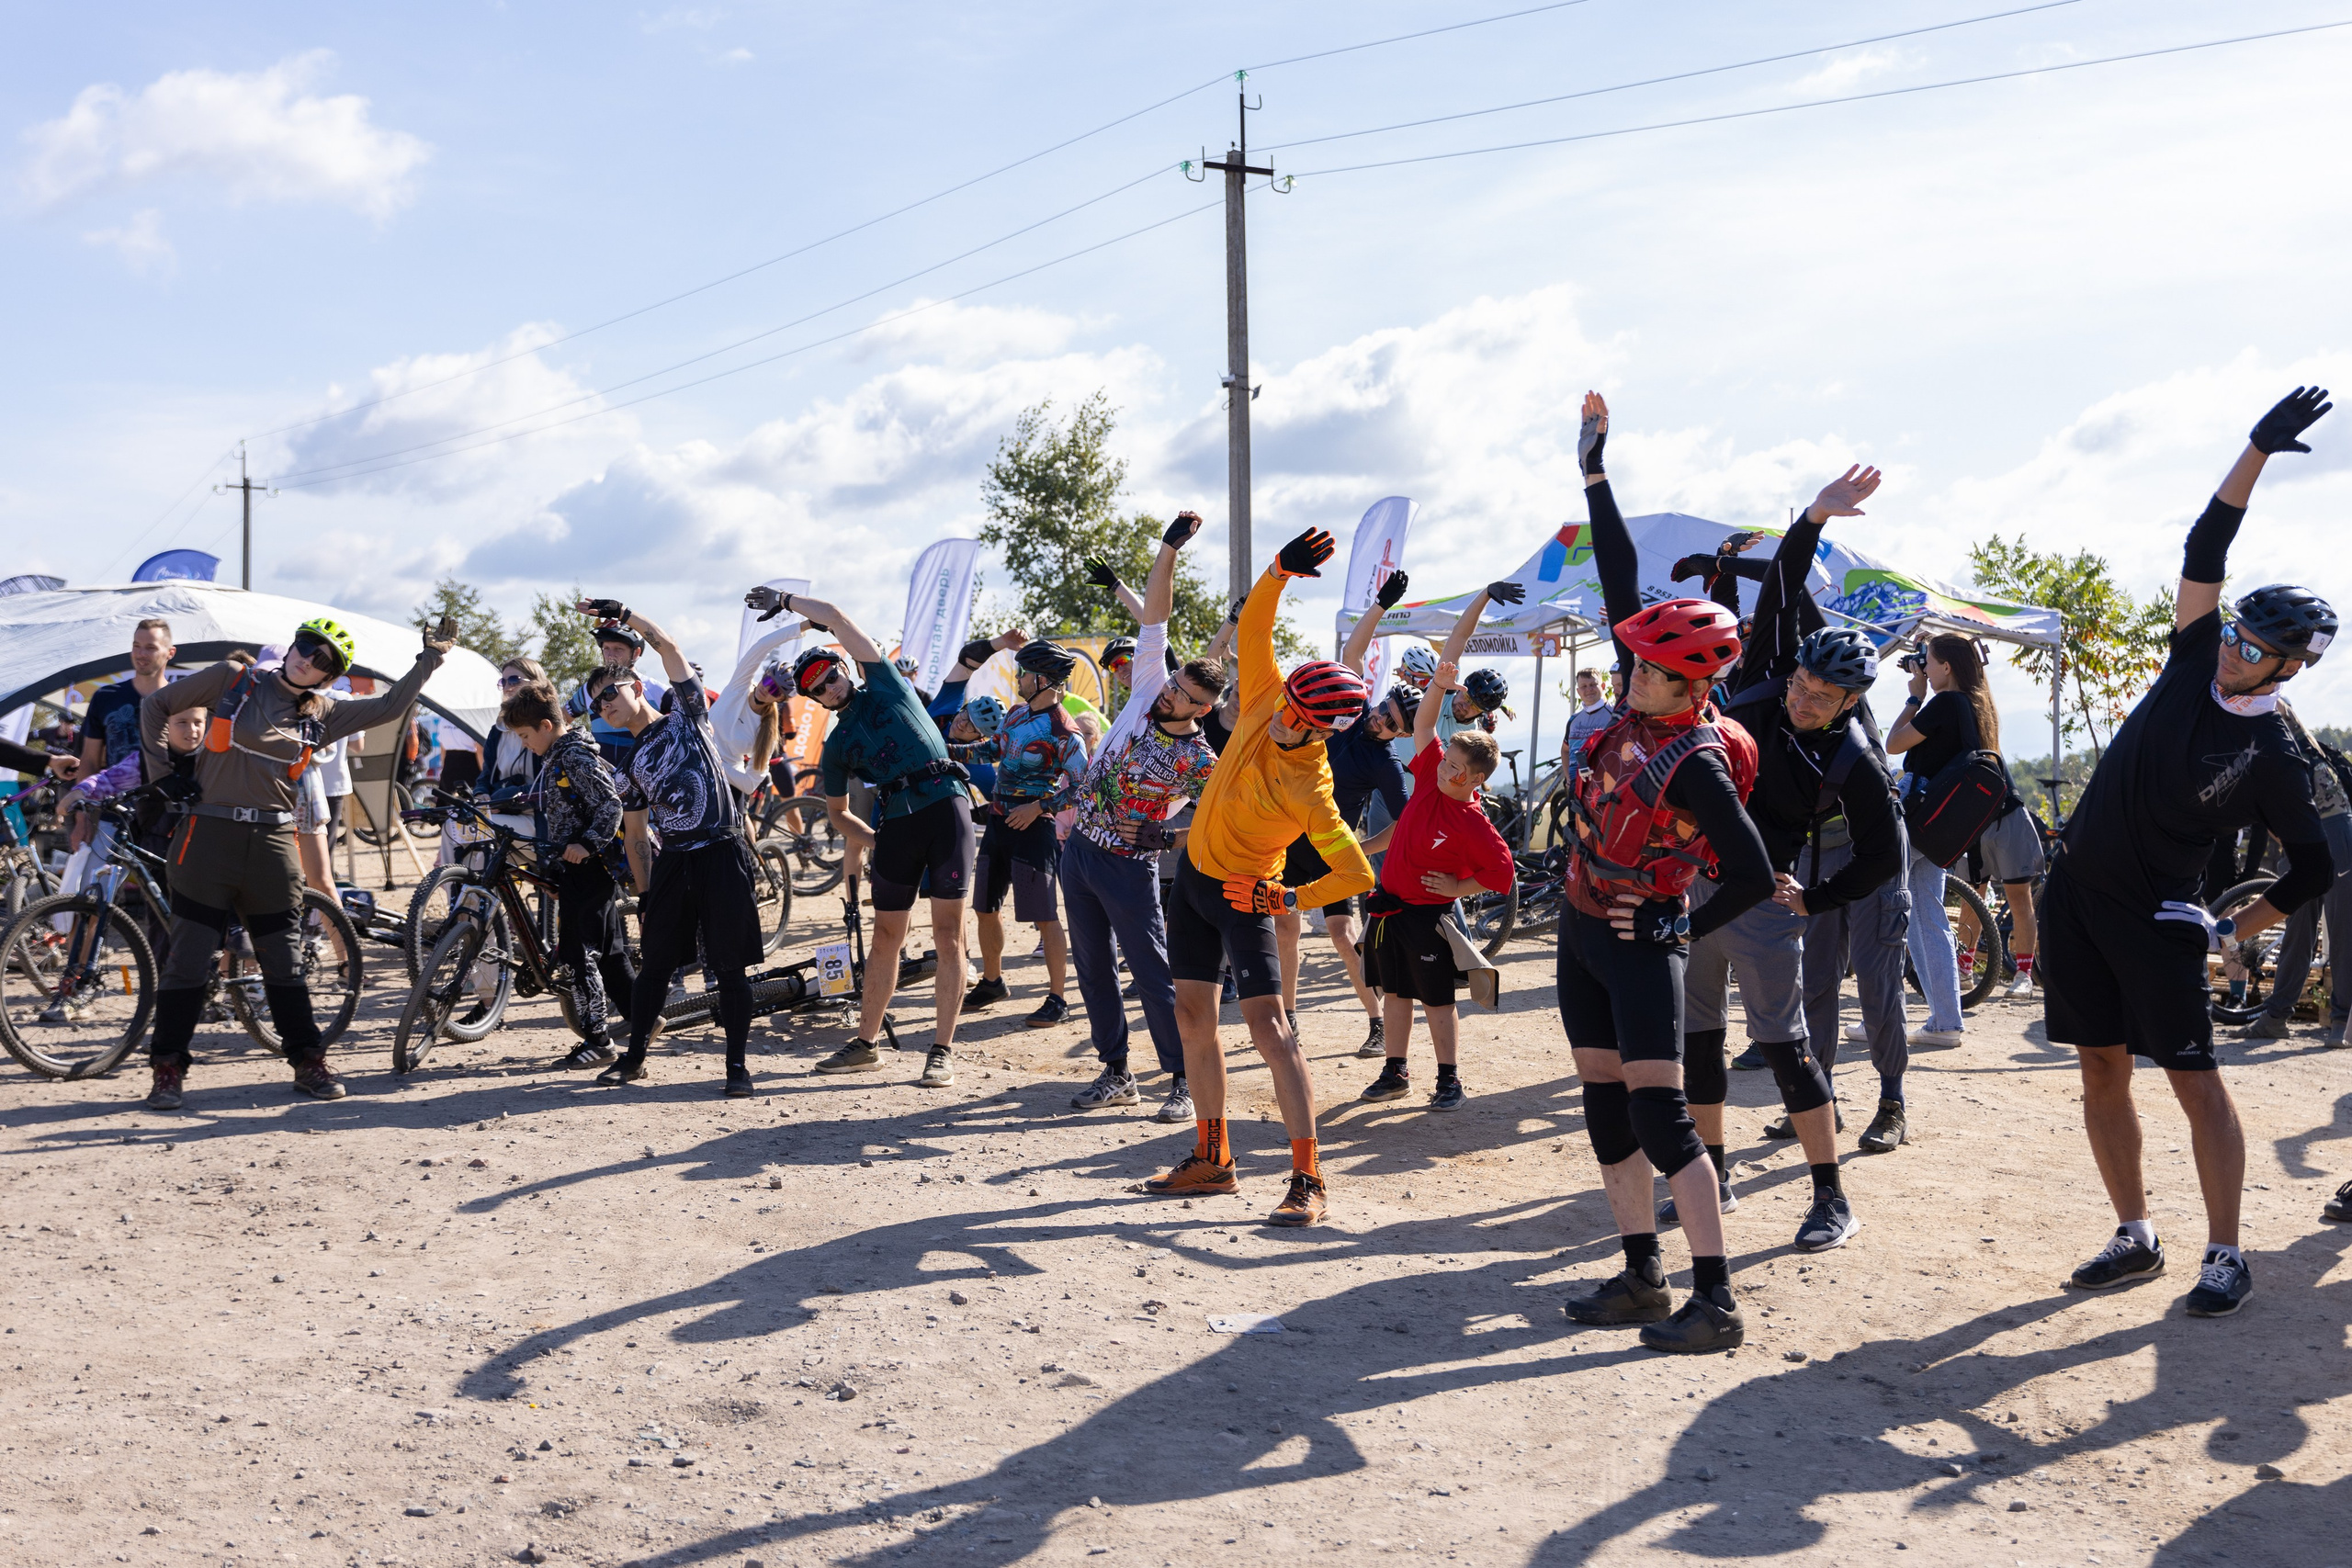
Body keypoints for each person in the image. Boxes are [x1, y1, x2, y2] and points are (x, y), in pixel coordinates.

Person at [2043, 386, 2336, 1318]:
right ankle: (2134, 1235)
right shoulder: (2190, 654)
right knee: (2097, 1067)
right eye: (2236, 632)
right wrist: (2254, 448)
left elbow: (2316, 867)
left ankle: (2225, 1252)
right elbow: (2203, 549)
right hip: (2073, 894)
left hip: (2159, 915)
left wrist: (2234, 925)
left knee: (2192, 1080)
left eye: (2253, 648)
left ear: (2288, 668)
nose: (2232, 650)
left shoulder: (2277, 755)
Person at [1555, 390, 1773, 1354]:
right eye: (1634, 661)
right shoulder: (1644, 707)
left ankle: (1715, 1298)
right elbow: (1616, 579)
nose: (1629, 668)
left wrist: (1677, 924)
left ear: (1692, 684)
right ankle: (1641, 1273)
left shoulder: (1696, 760)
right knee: (1605, 1103)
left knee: (1662, 1115)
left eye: (1646, 668)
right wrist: (1594, 472)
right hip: (1579, 922)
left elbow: (1753, 872)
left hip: (1638, 940)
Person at [1671, 468, 1906, 1265]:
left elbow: (1886, 853)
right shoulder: (1768, 681)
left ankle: (1831, 1196)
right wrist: (1810, 517)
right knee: (1696, 1043)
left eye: (1821, 692)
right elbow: (1780, 588)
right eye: (1802, 681)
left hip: (1768, 901)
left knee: (1785, 1049)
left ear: (1850, 701)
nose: (1802, 696)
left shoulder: (1858, 762)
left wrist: (1819, 898)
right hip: (1697, 883)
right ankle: (1715, 1173)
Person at [1140, 525, 1375, 1227]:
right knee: (1192, 1021)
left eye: (1302, 722)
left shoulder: (1312, 787)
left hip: (1245, 896)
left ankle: (1308, 1176)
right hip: (1193, 883)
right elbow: (1258, 623)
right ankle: (1213, 1158)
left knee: (1272, 1029)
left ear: (1324, 731)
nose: (1283, 724)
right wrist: (1277, 570)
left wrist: (1289, 896)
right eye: (1288, 709)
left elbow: (1355, 869)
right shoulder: (1268, 697)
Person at [138, 615, 453, 1110]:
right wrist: (163, 774)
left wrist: (430, 659)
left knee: (283, 962)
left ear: (328, 677)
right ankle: (168, 1070)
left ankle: (308, 1060)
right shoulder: (232, 680)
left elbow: (392, 705)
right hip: (207, 839)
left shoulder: (324, 713)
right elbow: (156, 706)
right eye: (307, 646)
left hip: (272, 842)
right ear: (292, 646)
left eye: (322, 660)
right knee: (189, 962)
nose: (309, 659)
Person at [752, 586, 975, 1089]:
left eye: (830, 677)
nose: (828, 688)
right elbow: (836, 815)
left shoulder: (886, 682)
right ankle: (866, 1044)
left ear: (844, 670)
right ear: (812, 699)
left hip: (945, 805)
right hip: (896, 825)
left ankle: (941, 1051)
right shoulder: (836, 745)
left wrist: (787, 601)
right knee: (885, 940)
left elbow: (834, 616)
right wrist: (879, 842)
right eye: (816, 689)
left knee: (948, 935)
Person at [1060, 513, 1226, 1120]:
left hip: (1131, 866)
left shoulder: (1198, 758)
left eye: (1183, 694)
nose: (1167, 692)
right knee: (1093, 967)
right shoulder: (1148, 682)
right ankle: (1116, 1071)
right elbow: (1155, 614)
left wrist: (1170, 833)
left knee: (1154, 972)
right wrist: (1167, 549)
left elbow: (1225, 814)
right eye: (1173, 683)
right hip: (1079, 851)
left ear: (1201, 710)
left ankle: (1182, 1077)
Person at [575, 600, 763, 1096]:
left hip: (723, 853)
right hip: (674, 861)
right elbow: (636, 835)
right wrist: (647, 895)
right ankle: (634, 1058)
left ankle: (737, 1069)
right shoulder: (628, 765)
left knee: (729, 968)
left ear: (636, 686)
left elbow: (669, 648)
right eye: (596, 704)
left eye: (610, 694)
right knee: (655, 963)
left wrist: (626, 614)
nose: (605, 707)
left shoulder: (688, 716)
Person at [1360, 656, 1516, 1110]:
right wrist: (1440, 688)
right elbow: (1424, 726)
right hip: (1389, 909)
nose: (1447, 771)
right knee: (1394, 993)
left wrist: (1457, 889)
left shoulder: (1475, 823)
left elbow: (1502, 876)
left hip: (1428, 918)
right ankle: (1396, 1070)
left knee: (1436, 1000)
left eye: (1457, 769)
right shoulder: (1430, 774)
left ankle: (1449, 1080)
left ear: (1478, 780)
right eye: (1447, 762)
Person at [1283, 567, 1417, 1058]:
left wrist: (1363, 848)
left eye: (1391, 723)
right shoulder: (1355, 709)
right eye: (1383, 710)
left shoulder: (1387, 763)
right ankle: (1289, 1018)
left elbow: (1402, 822)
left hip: (1332, 843)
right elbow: (1351, 656)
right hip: (1290, 834)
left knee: (1344, 936)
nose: (1379, 719)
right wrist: (1380, 603)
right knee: (1286, 925)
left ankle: (1377, 1020)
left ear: (1401, 734)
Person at [500, 681, 635, 1070]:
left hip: (590, 865)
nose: (525, 743)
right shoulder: (560, 754)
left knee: (580, 954)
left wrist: (588, 844)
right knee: (609, 951)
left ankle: (599, 1040)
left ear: (546, 725)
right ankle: (643, 1018)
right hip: (578, 866)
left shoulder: (574, 755)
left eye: (526, 736)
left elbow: (610, 805)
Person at [953, 639, 1087, 1026]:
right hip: (998, 824)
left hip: (1034, 829)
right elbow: (993, 749)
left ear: (1043, 679)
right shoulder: (1015, 714)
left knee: (1044, 917)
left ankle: (1058, 999)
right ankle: (993, 982)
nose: (1019, 678)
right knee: (984, 908)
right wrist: (945, 750)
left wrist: (1040, 807)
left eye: (1025, 673)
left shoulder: (1065, 732)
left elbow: (1085, 786)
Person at [1883, 636, 2002, 1046]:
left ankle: (1881, 1015)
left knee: (1878, 904)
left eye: (1929, 663)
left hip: (1918, 817)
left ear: (1947, 667)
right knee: (1928, 916)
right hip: (1940, 824)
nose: (1925, 670)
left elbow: (1893, 744)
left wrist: (1914, 698)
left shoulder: (1945, 703)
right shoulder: (1975, 705)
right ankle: (1945, 1021)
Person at [2243, 708, 2352, 1044]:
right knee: (2296, 924)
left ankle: (2342, 1021)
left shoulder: (2269, 717)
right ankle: (2276, 1016)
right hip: (2306, 832)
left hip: (2334, 823)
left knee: (2341, 925)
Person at [81, 617, 175, 776]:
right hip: (117, 798)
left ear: (170, 653)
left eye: (150, 648)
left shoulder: (181, 698)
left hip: (168, 796)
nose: (141, 654)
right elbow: (89, 759)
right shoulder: (105, 696)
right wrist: (83, 797)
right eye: (136, 646)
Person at [566, 621, 668, 768]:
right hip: (608, 780)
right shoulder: (589, 689)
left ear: (636, 652)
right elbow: (560, 720)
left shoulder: (655, 689)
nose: (610, 655)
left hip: (646, 775)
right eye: (606, 648)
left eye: (618, 649)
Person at [1561, 666, 1613, 784]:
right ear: (1578, 691)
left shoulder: (1615, 715)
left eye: (1593, 684)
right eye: (1584, 686)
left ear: (1603, 686)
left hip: (1604, 787)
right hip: (1577, 788)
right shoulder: (1573, 720)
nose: (1589, 689)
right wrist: (1569, 778)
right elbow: (1565, 750)